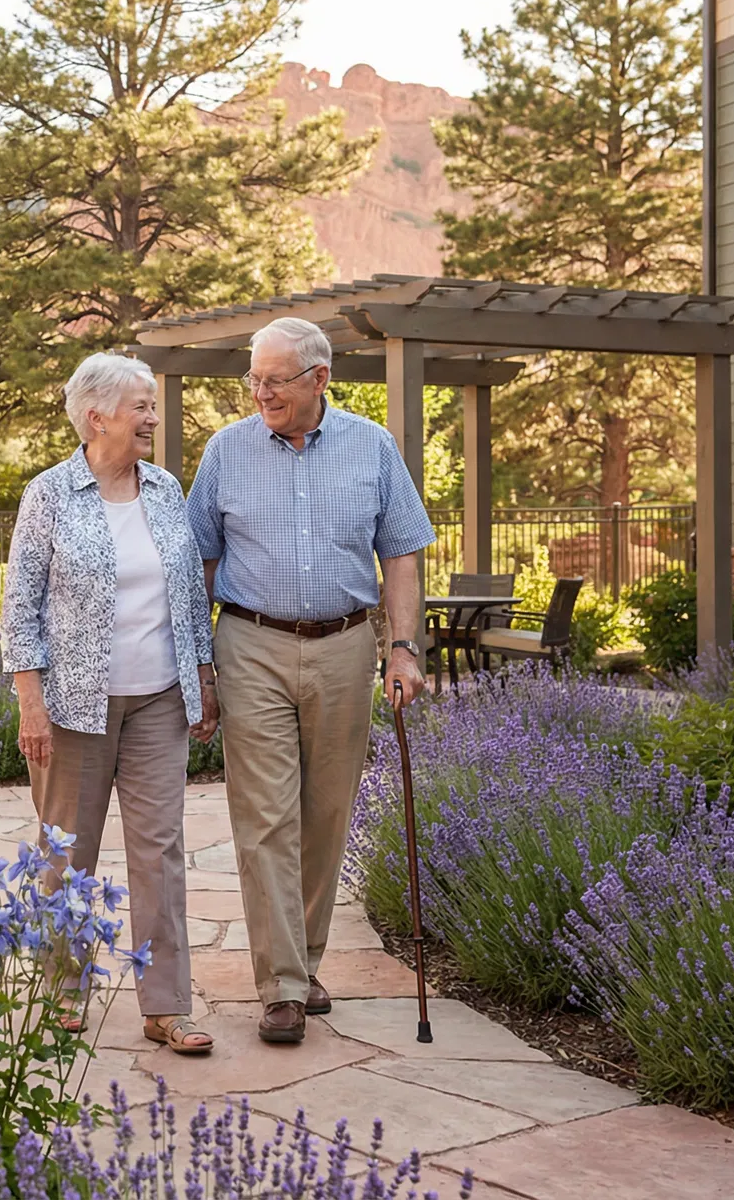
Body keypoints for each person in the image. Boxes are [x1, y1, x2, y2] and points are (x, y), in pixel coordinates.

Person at [186, 316, 433, 1045]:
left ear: (320, 380)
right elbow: (197, 561)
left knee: (326, 813)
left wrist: (404, 648)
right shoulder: (226, 451)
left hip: (346, 646)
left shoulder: (373, 447)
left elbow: (404, 555)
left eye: (275, 379)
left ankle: (306, 958)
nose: (260, 391)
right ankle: (284, 985)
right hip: (251, 642)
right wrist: (199, 663)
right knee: (265, 817)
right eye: (253, 378)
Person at [2, 351, 220, 1055]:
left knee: (161, 851)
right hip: (73, 707)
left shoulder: (163, 488)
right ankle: (64, 992)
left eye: (152, 406)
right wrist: (29, 702)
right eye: (142, 407)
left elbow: (187, 593)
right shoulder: (50, 494)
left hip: (158, 697)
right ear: (97, 417)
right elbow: (20, 606)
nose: (153, 418)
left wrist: (204, 677)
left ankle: (167, 1006)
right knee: (68, 853)